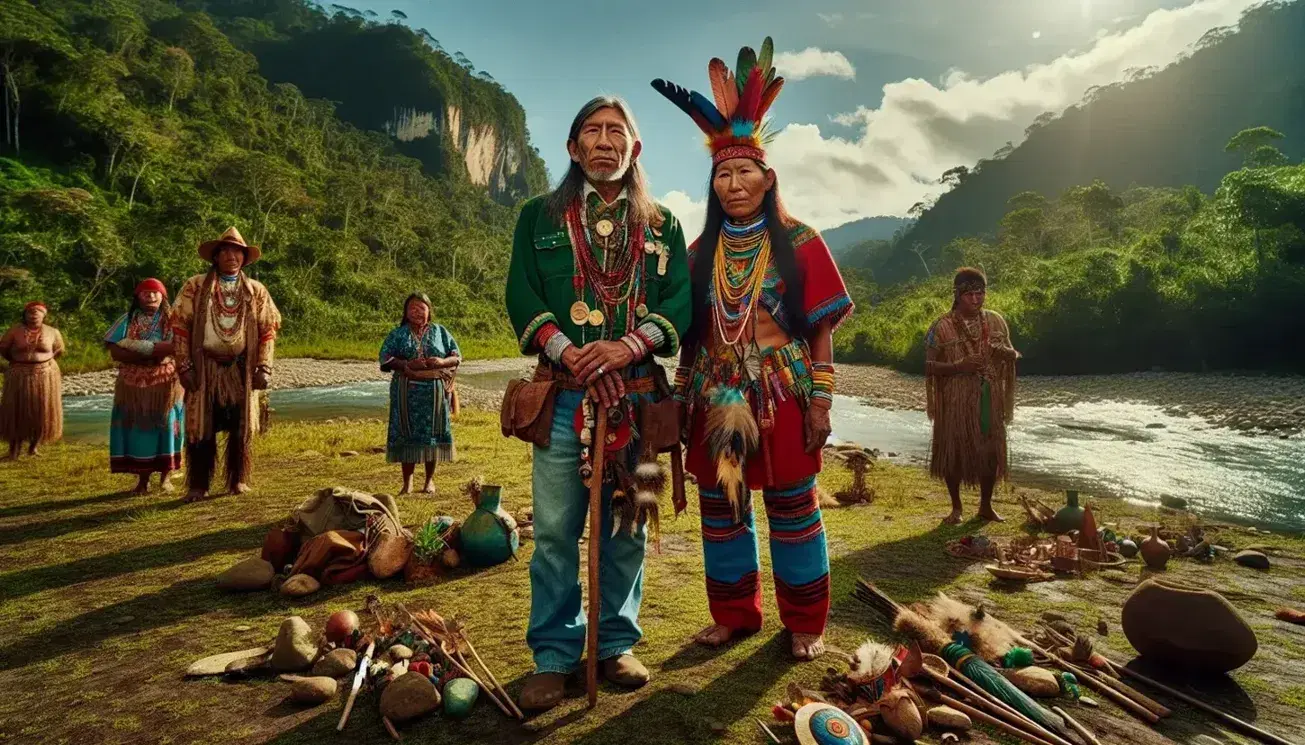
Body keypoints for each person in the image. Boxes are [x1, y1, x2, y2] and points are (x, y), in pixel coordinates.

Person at [652, 38, 854, 662]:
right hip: (716, 397)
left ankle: (804, 622)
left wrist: (820, 403)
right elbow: (691, 340)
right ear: (711, 184)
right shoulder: (697, 256)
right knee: (723, 507)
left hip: (781, 393)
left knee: (794, 509)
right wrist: (682, 405)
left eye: (744, 171)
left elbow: (821, 329)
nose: (733, 182)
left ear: (768, 178)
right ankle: (734, 615)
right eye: (722, 172)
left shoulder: (801, 241)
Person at [505, 95, 691, 711]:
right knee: (557, 530)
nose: (605, 140)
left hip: (636, 403)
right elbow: (522, 294)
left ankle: (615, 644)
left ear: (635, 148)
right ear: (572, 147)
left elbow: (679, 305)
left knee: (628, 526)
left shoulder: (663, 223)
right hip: (562, 398)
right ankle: (555, 656)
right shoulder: (538, 216)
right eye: (592, 130)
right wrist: (568, 350)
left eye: (618, 131)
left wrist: (625, 347)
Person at [172, 227, 281, 503]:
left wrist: (264, 367)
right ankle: (198, 485)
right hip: (205, 366)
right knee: (201, 428)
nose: (232, 256)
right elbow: (180, 327)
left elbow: (268, 330)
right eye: (226, 251)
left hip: (240, 368)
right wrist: (184, 366)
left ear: (244, 258)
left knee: (240, 427)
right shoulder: (195, 286)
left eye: (238, 252)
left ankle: (238, 480)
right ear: (216, 256)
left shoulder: (256, 290)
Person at [925, 267, 1019, 524]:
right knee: (953, 451)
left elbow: (1012, 353)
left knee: (991, 451)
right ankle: (956, 508)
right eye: (970, 295)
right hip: (955, 401)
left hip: (989, 397)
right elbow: (929, 366)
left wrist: (1004, 354)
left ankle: (985, 506)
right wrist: (959, 367)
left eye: (980, 293)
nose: (976, 299)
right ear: (957, 295)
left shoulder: (996, 321)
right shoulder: (940, 327)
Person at [104, 278, 185, 494]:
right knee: (139, 430)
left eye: (155, 293)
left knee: (167, 426)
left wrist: (143, 350)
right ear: (137, 297)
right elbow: (115, 351)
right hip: (133, 384)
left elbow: (177, 347)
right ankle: (143, 480)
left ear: (163, 296)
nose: (150, 296)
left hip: (165, 382)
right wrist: (154, 352)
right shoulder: (127, 320)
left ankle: (166, 477)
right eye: (145, 293)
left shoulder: (173, 320)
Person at [379, 293, 461, 495]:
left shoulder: (440, 332)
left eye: (421, 308)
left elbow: (456, 355)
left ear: (429, 311)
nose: (417, 312)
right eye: (412, 308)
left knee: (432, 435)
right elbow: (385, 358)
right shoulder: (398, 334)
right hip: (406, 392)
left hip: (434, 393)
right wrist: (406, 364)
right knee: (407, 434)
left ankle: (429, 482)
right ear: (406, 313)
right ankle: (407, 484)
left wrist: (442, 362)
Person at [0, 301, 65, 459]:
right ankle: (13, 450)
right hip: (19, 374)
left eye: (37, 312)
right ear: (25, 315)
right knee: (16, 411)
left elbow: (59, 349)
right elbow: (3, 348)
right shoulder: (15, 331)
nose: (33, 314)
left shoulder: (53, 332)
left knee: (41, 411)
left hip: (45, 375)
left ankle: (33, 448)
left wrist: (43, 362)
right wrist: (17, 361)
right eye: (30, 312)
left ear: (44, 315)